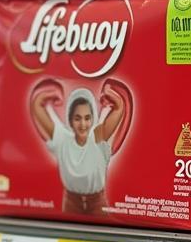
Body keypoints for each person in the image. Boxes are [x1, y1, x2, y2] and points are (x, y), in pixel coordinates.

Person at [29, 78, 133, 216]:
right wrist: (52, 94)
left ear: (93, 118)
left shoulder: (98, 136)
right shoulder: (62, 139)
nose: (83, 124)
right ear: (70, 120)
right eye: (77, 118)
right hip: (71, 202)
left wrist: (108, 93)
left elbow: (119, 107)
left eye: (87, 118)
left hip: (97, 203)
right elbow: (37, 106)